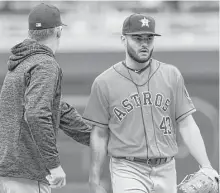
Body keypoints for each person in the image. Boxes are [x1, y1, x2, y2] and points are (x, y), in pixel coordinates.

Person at [83, 13, 219, 193]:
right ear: (123, 39)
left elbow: (186, 124)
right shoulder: (104, 82)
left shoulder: (171, 75)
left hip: (167, 167)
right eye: (137, 38)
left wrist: (207, 166)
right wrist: (94, 179)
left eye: (149, 38)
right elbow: (99, 134)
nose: (144, 43)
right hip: (128, 168)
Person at [0, 3, 90, 193]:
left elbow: (56, 108)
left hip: (10, 169)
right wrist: (54, 164)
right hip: (26, 173)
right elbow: (36, 113)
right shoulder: (45, 64)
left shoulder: (20, 62)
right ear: (58, 31)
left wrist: (94, 137)